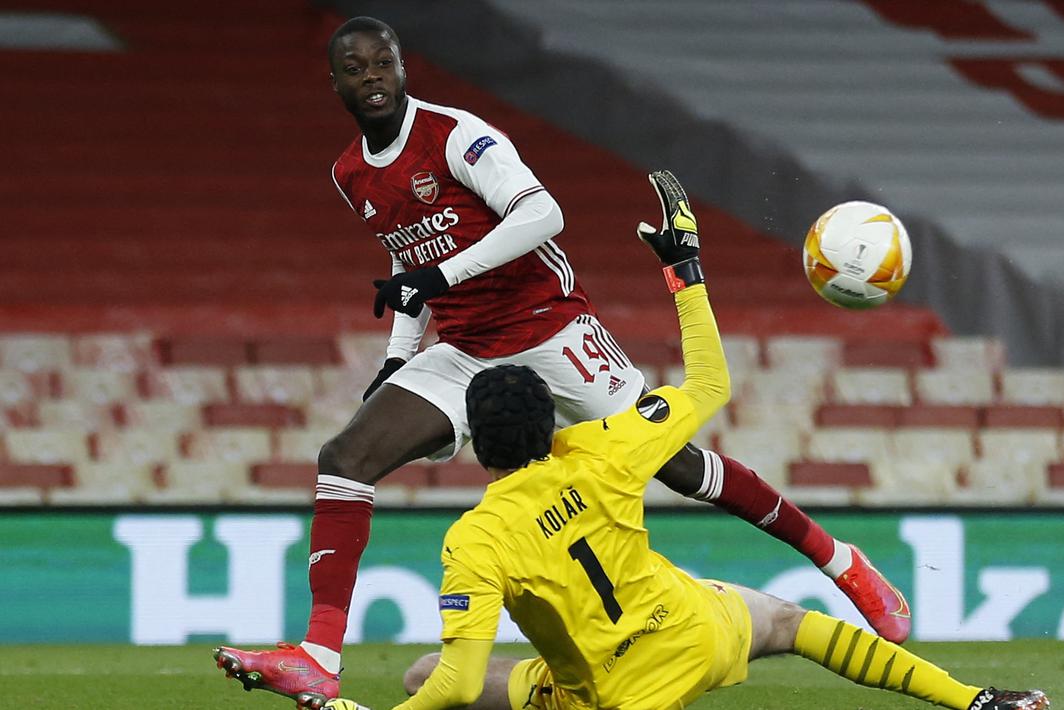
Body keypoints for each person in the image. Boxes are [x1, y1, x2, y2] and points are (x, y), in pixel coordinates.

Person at [214, 16, 908, 708]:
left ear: (402, 69)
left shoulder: (456, 136)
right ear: (334, 80)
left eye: (383, 63)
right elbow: (406, 252)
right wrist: (398, 357)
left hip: (551, 329)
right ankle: (317, 655)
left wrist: (440, 278)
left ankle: (839, 561)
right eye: (356, 67)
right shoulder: (349, 174)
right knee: (344, 458)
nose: (372, 76)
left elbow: (541, 214)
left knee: (676, 463)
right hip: (463, 350)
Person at [322, 174, 1050, 710]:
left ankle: (838, 560)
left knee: (427, 676)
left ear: (473, 443)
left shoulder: (473, 540)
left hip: (606, 695)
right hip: (691, 632)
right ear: (555, 421)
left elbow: (451, 680)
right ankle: (977, 702)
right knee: (790, 623)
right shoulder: (609, 447)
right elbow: (707, 384)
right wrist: (683, 269)